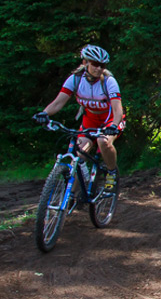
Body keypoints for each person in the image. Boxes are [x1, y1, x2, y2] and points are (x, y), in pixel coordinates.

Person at [33, 45, 125, 195]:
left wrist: (114, 125)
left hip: (110, 119)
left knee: (103, 142)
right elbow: (58, 102)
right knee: (79, 154)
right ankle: (70, 196)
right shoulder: (75, 79)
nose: (99, 69)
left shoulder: (109, 81)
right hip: (90, 120)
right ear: (85, 63)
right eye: (95, 64)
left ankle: (111, 172)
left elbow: (117, 109)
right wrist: (44, 113)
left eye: (102, 65)